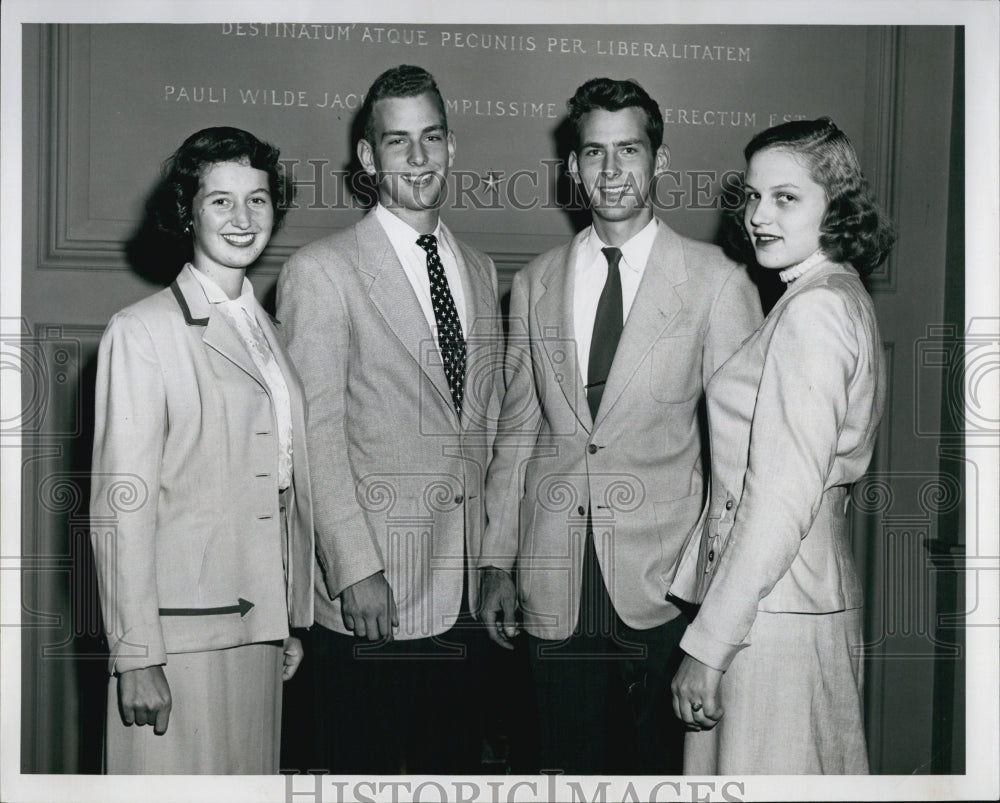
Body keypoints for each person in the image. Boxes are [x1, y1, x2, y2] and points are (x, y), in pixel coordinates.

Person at [478, 77, 762, 775]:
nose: (611, 172)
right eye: (594, 154)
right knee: (562, 769)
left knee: (660, 773)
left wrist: (720, 596)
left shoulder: (717, 281)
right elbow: (519, 432)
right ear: (572, 168)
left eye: (628, 151)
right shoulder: (536, 282)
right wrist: (495, 561)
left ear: (658, 162)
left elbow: (743, 457)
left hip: (664, 586)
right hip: (553, 581)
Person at [276, 64, 503, 774]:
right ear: (369, 159)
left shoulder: (481, 268)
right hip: (373, 594)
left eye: (431, 137)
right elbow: (312, 434)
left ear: (451, 147)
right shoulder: (323, 271)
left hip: (463, 597)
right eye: (398, 142)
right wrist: (352, 568)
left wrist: (495, 561)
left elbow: (485, 428)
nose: (418, 157)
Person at [670, 117, 894, 774]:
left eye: (786, 197)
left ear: (838, 205)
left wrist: (709, 644)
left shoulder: (815, 309)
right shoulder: (828, 291)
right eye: (753, 195)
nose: (759, 215)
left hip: (772, 615)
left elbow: (780, 499)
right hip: (789, 602)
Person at [90, 126, 315, 774]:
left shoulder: (266, 330)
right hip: (174, 642)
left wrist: (284, 618)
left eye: (258, 199)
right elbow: (121, 507)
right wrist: (136, 655)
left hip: (254, 630)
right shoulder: (143, 331)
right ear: (187, 210)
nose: (242, 218)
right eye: (220, 201)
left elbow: (275, 484)